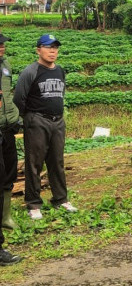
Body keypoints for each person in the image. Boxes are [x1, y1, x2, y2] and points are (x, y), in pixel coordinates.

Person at [14, 34, 77, 220]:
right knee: (34, 163)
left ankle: (61, 199)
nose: (53, 51)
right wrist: (30, 118)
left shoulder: (60, 71)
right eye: (48, 47)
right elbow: (19, 98)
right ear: (38, 49)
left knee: (57, 161)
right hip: (37, 120)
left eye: (55, 48)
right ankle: (33, 203)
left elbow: (61, 93)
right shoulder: (30, 71)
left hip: (57, 121)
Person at [0, 33, 21, 265]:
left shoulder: (6, 64)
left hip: (7, 128)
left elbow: (9, 94)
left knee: (9, 175)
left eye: (3, 43)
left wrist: (14, 116)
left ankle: (5, 217)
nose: (2, 47)